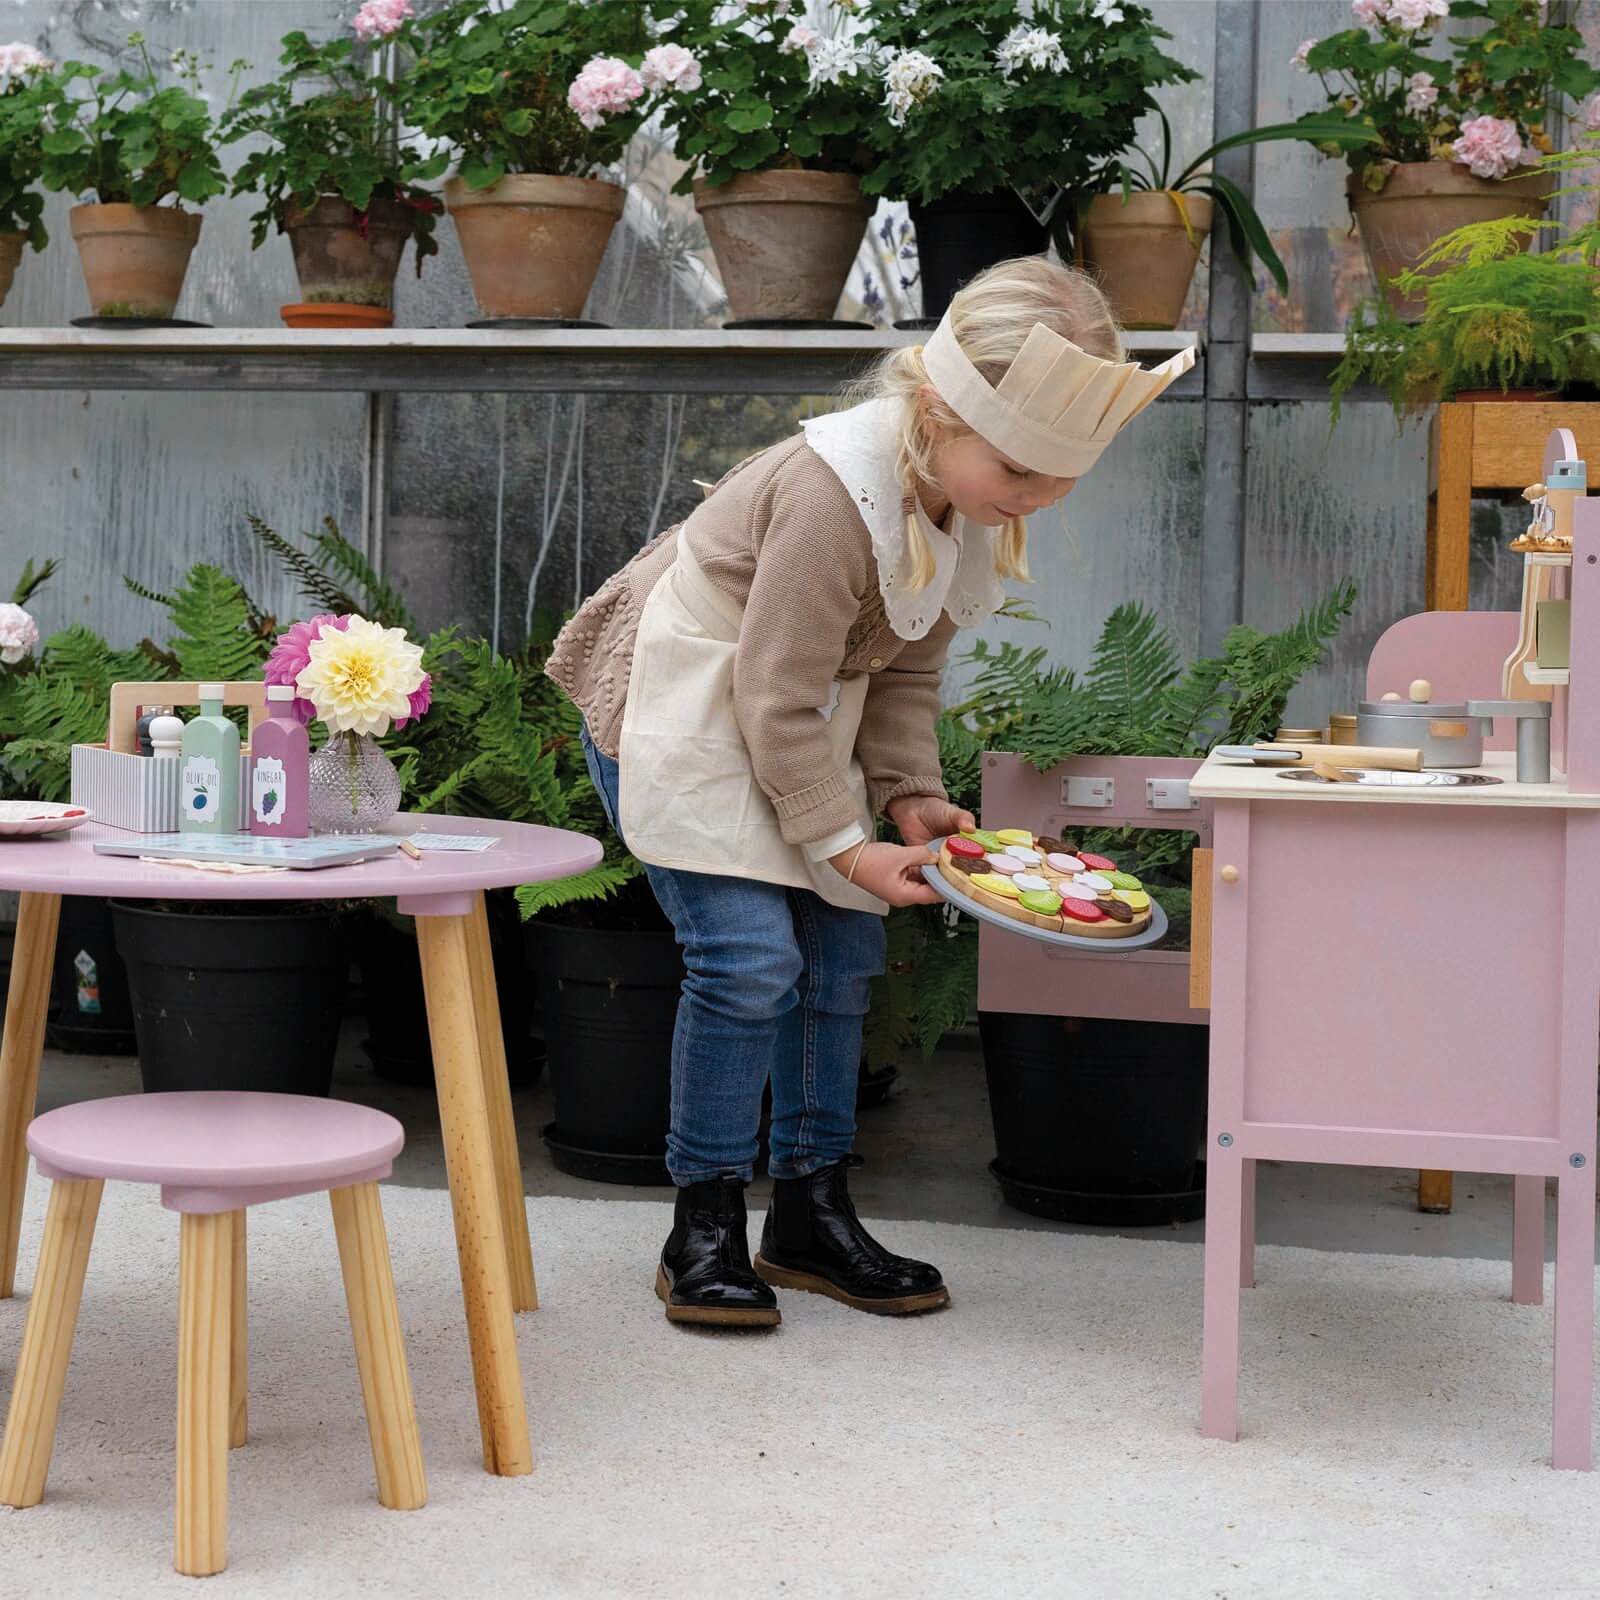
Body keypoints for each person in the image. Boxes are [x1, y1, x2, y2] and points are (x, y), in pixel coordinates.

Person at [547, 255, 1193, 1328]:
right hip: (690, 703)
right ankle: (701, 1223)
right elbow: (771, 692)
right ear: (935, 411)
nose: (1037, 498)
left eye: (1062, 476)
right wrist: (843, 848)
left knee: (841, 956)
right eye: (1021, 470)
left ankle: (807, 1212)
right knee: (749, 959)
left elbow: (901, 665)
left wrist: (904, 796)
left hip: (798, 713)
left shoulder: (964, 501)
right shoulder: (825, 500)